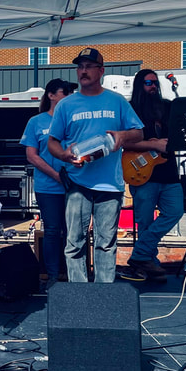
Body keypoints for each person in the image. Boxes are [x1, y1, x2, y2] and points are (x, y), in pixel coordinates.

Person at [47, 48, 145, 284]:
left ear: (101, 71)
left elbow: (139, 132)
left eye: (89, 66)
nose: (83, 71)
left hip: (110, 184)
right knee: (74, 242)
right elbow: (52, 142)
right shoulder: (66, 105)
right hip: (78, 182)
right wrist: (64, 155)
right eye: (80, 67)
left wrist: (122, 136)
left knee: (105, 243)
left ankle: (104, 295)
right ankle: (80, 296)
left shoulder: (117, 101)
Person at [123, 69, 184, 281]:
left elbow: (181, 133)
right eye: (148, 83)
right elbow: (125, 142)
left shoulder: (167, 107)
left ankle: (140, 255)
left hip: (169, 172)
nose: (153, 87)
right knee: (145, 221)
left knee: (175, 212)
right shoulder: (131, 109)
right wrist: (153, 144)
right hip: (143, 173)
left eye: (155, 83)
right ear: (140, 85)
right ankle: (150, 264)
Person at [20, 78, 75, 286]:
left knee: (73, 231)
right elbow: (31, 155)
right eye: (65, 92)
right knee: (52, 229)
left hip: (74, 184)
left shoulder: (74, 121)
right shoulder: (37, 121)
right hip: (48, 186)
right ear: (51, 95)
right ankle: (52, 275)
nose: (69, 96)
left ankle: (72, 273)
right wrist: (55, 175)